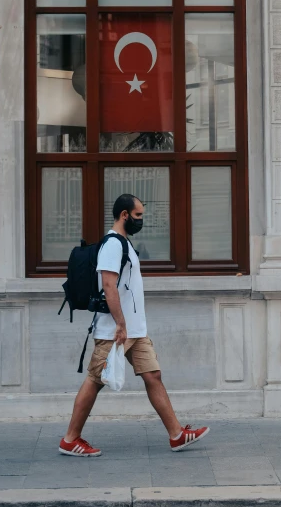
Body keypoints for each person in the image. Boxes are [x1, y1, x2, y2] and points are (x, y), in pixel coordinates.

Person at [59, 193, 209, 457]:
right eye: (138, 215)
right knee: (96, 379)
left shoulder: (124, 244)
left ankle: (176, 435)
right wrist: (119, 324)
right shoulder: (113, 244)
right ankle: (70, 439)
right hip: (115, 330)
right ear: (125, 215)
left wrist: (129, 325)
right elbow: (108, 284)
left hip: (134, 330)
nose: (141, 220)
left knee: (153, 375)